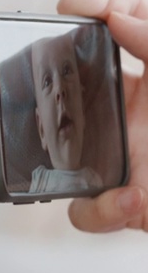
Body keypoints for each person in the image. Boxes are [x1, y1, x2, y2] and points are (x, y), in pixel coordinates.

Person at [27, 33, 101, 194]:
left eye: (66, 70)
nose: (60, 88)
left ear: (82, 109)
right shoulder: (40, 180)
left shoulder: (94, 180)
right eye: (47, 81)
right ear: (41, 130)